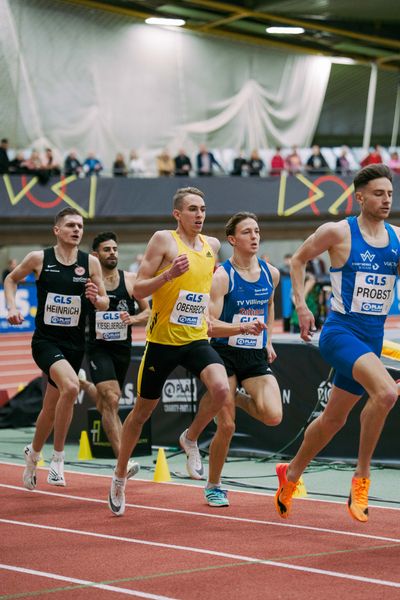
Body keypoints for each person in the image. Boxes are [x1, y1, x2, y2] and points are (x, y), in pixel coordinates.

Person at [274, 164, 399, 523]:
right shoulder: (337, 232)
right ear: (359, 197)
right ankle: (362, 477)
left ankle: (292, 474)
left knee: (333, 419)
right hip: (340, 333)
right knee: (387, 394)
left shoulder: (397, 238)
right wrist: (300, 305)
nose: (386, 199)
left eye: (389, 193)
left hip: (372, 339)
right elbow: (298, 260)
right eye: (378, 193)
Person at [108, 186, 231, 516]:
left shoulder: (212, 246)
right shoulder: (164, 240)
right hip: (161, 342)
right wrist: (169, 275)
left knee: (220, 388)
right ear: (178, 214)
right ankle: (120, 476)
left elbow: (201, 291)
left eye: (203, 209)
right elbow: (137, 288)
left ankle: (190, 438)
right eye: (192, 209)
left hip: (194, 338)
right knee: (142, 413)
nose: (200, 215)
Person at [4, 207, 109, 489]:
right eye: (71, 225)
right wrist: (11, 307)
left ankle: (33, 454)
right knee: (72, 388)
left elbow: (104, 302)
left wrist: (96, 298)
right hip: (46, 341)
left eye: (80, 226)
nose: (77, 230)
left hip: (75, 344)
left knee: (50, 408)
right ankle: (58, 460)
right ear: (57, 230)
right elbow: (11, 279)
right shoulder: (39, 258)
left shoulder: (91, 263)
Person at [203, 212, 282, 506]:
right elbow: (209, 324)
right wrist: (240, 328)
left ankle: (232, 396)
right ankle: (214, 485)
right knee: (227, 427)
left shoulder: (270, 274)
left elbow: (269, 305)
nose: (254, 236)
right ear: (233, 240)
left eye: (257, 231)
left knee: (273, 415)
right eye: (247, 232)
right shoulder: (222, 277)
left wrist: (269, 339)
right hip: (223, 353)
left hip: (254, 354)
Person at [79, 232, 150, 472]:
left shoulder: (129, 279)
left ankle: (85, 384)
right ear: (95, 255)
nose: (112, 253)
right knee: (111, 398)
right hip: (97, 347)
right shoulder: (87, 281)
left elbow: (148, 312)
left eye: (115, 249)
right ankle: (123, 464)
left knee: (107, 403)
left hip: (122, 348)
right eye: (107, 249)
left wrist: (133, 318)